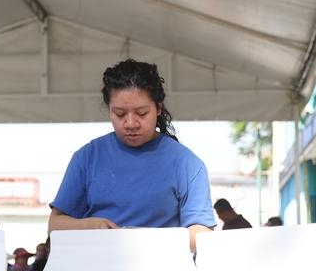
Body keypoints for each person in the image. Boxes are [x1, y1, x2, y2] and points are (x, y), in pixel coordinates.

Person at [48, 59, 215, 250]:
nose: (130, 123)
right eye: (119, 114)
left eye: (142, 113)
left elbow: (202, 233)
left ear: (158, 108)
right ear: (108, 109)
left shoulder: (187, 163)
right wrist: (88, 226)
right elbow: (55, 225)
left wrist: (144, 240)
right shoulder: (88, 157)